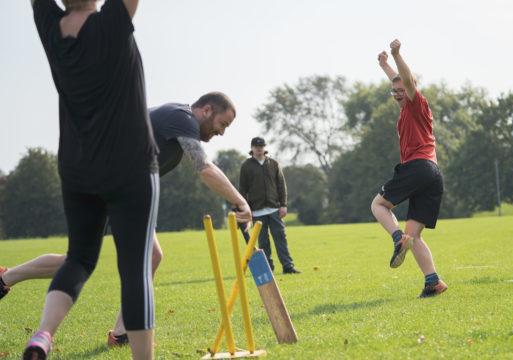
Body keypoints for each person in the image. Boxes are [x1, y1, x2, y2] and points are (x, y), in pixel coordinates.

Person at [1, 92, 251, 349]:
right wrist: (241, 201)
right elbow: (205, 168)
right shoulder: (184, 118)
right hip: (109, 186)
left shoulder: (176, 116)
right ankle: (8, 280)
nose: (221, 132)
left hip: (122, 190)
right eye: (223, 124)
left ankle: (121, 332)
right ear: (207, 110)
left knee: (141, 257)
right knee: (79, 261)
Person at [24, 0, 159, 358]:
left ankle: (43, 334)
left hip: (77, 167)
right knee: (134, 270)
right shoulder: (113, 20)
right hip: (129, 164)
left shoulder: (50, 27)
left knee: (79, 258)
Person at [371, 39, 448, 299]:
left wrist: (397, 54)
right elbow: (399, 81)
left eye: (400, 91)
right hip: (433, 174)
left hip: (418, 167)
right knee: (413, 235)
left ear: (411, 88)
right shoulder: (404, 107)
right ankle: (433, 282)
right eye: (393, 92)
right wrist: (385, 65)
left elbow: (406, 81)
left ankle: (396, 239)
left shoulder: (417, 104)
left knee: (378, 206)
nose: (396, 94)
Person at [239, 137, 300, 274]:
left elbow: (281, 185)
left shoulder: (273, 164)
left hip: (274, 209)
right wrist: (245, 209)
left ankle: (288, 266)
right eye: (256, 146)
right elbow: (242, 190)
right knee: (263, 242)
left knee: (280, 238)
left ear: (265, 148)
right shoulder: (246, 166)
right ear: (252, 148)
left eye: (261, 146)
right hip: (257, 211)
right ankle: (268, 269)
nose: (259, 148)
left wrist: (283, 205)